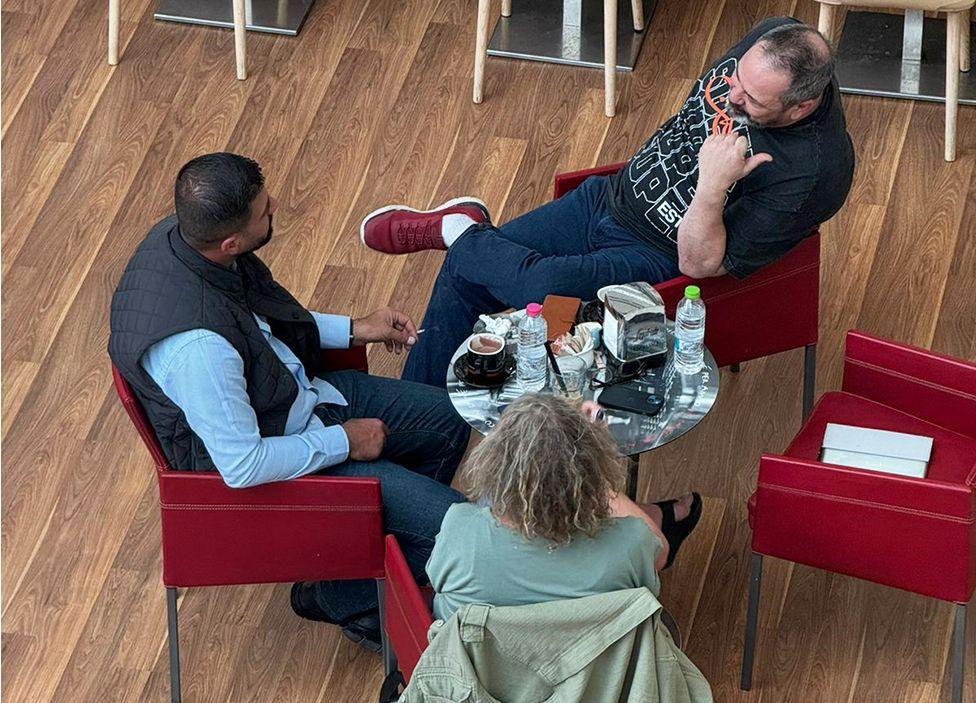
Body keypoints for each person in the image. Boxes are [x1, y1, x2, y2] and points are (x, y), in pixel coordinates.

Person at [359, 17, 855, 387]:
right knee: (467, 272)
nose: (731, 98)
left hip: (656, 257)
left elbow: (698, 264)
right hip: (609, 195)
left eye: (752, 100)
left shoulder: (814, 171)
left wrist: (711, 188)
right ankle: (415, 413)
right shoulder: (772, 42)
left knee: (538, 288)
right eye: (734, 81)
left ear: (801, 107)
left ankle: (460, 230)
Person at [108, 152, 470, 651]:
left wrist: (355, 328)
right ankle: (350, 595)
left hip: (294, 393)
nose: (274, 205)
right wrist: (343, 441)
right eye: (264, 210)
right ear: (231, 241)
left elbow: (260, 321)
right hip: (280, 454)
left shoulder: (190, 242)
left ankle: (361, 564)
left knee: (451, 420)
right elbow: (242, 465)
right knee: (460, 528)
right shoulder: (199, 351)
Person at [426, 395, 702, 622]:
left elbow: (437, 584)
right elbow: (661, 551)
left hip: (479, 681)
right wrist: (598, 475)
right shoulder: (628, 546)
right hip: (589, 685)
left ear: (495, 466)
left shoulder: (460, 528)